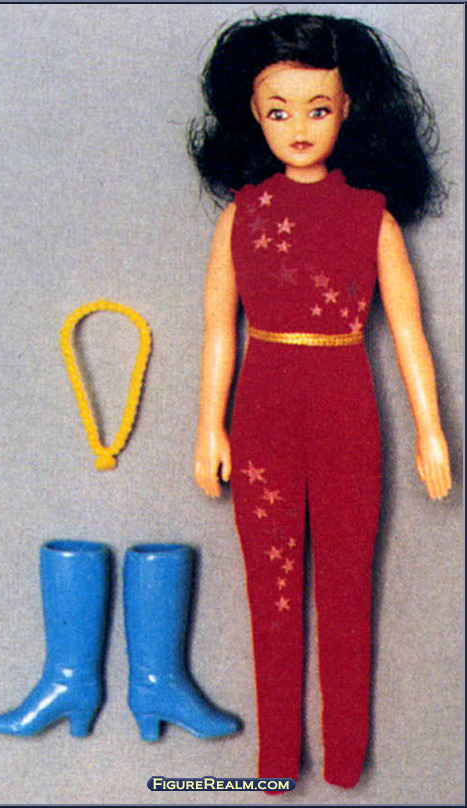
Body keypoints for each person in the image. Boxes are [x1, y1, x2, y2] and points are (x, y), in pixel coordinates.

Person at [188, 11, 451, 789]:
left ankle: (343, 758)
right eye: (278, 111)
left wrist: (430, 430)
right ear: (251, 113)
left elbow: (408, 332)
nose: (298, 127)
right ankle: (274, 760)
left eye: (316, 109)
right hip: (263, 407)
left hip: (344, 403)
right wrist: (207, 427)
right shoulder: (242, 214)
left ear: (346, 111)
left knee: (343, 584)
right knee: (269, 587)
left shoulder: (370, 218)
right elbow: (217, 329)